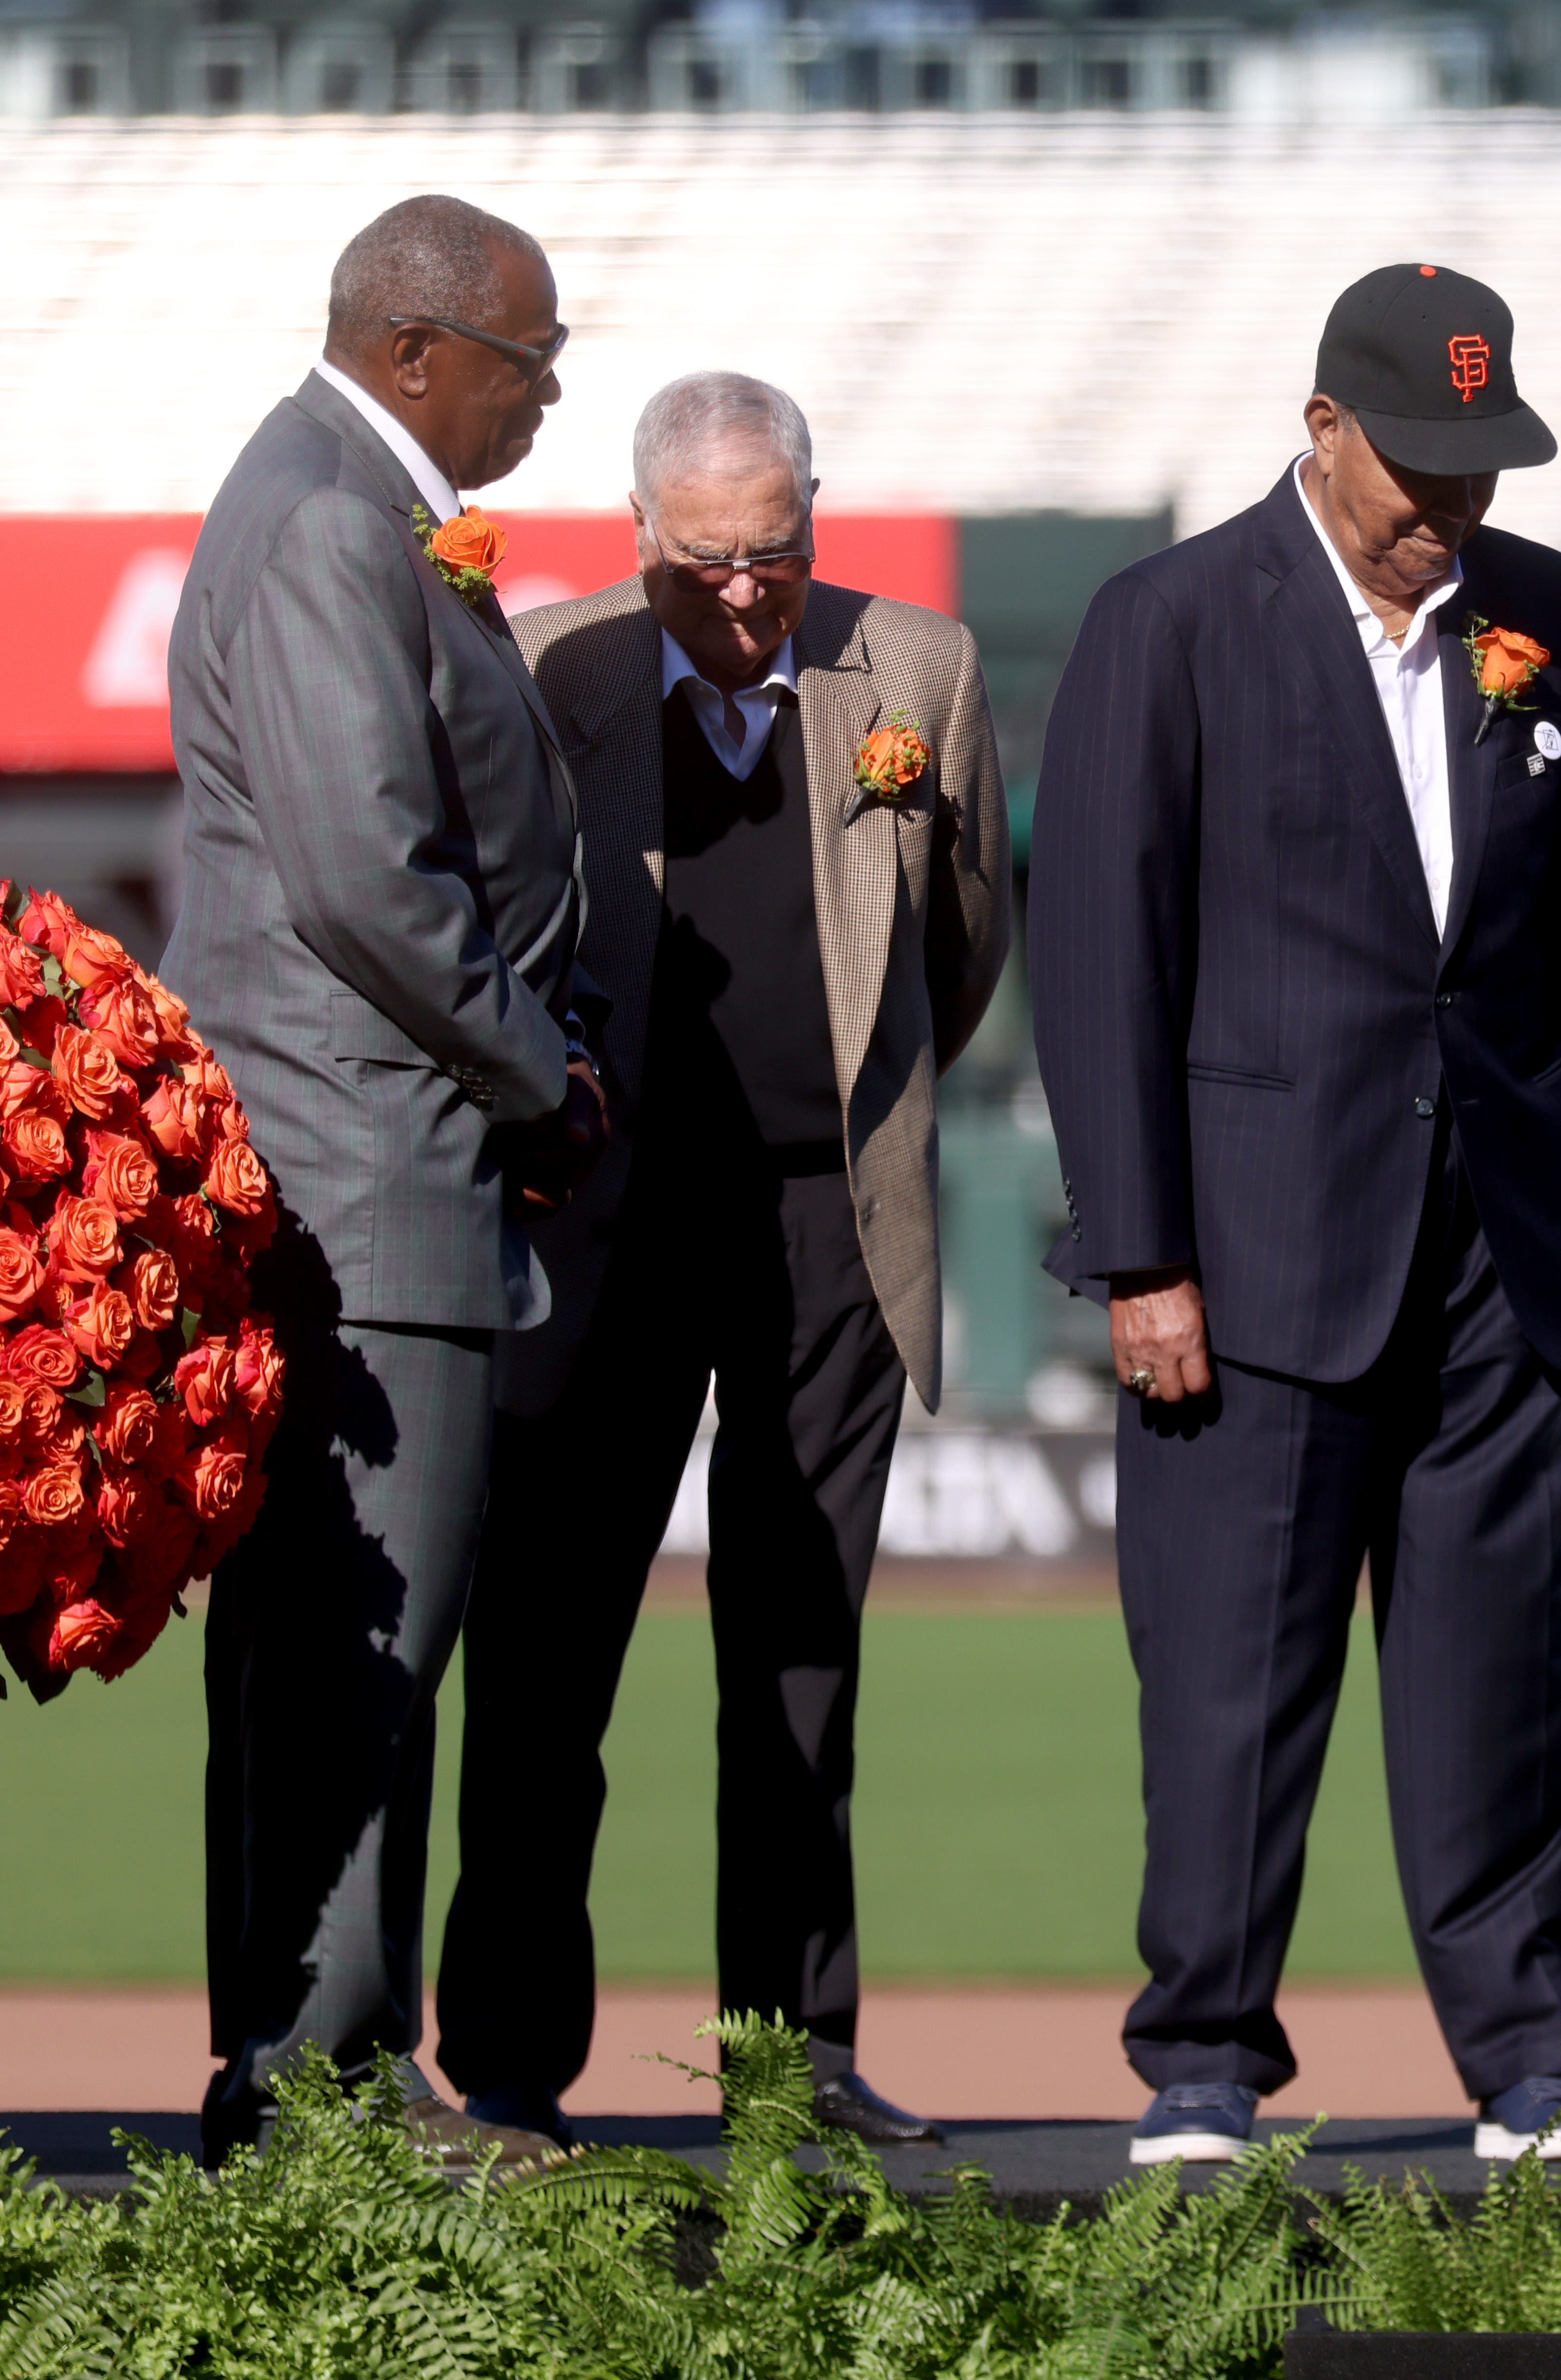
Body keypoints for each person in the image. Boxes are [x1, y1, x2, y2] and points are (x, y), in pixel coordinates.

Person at [1032, 264, 1561, 2167]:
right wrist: (1140, 1255)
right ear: (1320, 429)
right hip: (1249, 1259)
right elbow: (1095, 961)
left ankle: (1529, 2059)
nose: (1447, 506)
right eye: (1415, 466)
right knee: (1233, 1684)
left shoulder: (1543, 616)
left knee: (1496, 1681)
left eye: (1480, 468)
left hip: (1502, 1257)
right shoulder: (1170, 624)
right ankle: (1205, 2059)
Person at [432, 373, 1010, 2148]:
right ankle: (514, 2062)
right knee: (542, 1657)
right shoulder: (556, 672)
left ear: (814, 515)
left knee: (800, 1654)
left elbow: (968, 937)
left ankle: (794, 2059)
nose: (749, 593)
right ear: (638, 540)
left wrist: (868, 1128)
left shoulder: (920, 669)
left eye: (778, 551)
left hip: (828, 1229)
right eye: (706, 563)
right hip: (597, 1221)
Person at [161, 195, 604, 2168]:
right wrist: (541, 1071)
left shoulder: (337, 491)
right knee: (360, 1651)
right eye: (533, 358)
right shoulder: (340, 514)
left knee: (326, 1655)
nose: (549, 391)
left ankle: (303, 2077)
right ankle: (323, 2092)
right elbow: (367, 882)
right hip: (368, 1167)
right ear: (420, 350)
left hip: (352, 1154)